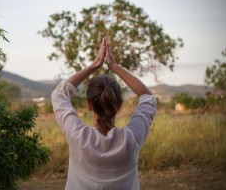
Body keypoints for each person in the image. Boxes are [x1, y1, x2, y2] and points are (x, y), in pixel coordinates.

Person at [51, 37, 157, 190]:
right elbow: (148, 98)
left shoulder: (77, 137)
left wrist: (94, 65)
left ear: (88, 105)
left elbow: (59, 95)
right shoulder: (131, 139)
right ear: (118, 105)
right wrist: (115, 66)